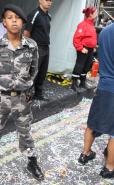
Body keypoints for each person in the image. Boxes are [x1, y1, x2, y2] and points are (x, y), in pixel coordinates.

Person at [0, 4, 44, 184]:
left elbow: (34, 70)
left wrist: (25, 86)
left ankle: (32, 162)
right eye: (9, 17)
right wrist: (1, 87)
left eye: (17, 17)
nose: (14, 20)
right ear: (3, 22)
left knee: (25, 131)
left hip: (23, 97)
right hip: (2, 98)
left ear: (23, 22)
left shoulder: (31, 46)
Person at [78, 23, 114, 178]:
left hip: (103, 85)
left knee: (93, 122)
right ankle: (110, 167)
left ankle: (85, 154)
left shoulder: (105, 31)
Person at [24, 0, 52, 101]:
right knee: (33, 72)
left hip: (46, 47)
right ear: (40, 0)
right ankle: (27, 96)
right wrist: (28, 48)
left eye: (51, 0)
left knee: (42, 72)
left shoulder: (49, 16)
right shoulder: (34, 14)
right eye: (47, 0)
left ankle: (38, 94)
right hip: (37, 47)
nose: (49, 2)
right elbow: (27, 32)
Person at [71, 7, 97, 92]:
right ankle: (74, 84)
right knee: (79, 65)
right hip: (84, 49)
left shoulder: (91, 24)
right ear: (90, 14)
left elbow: (91, 38)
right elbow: (76, 38)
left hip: (90, 49)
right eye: (95, 12)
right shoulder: (83, 24)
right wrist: (81, 48)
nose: (97, 13)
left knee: (86, 66)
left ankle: (82, 82)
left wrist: (93, 46)